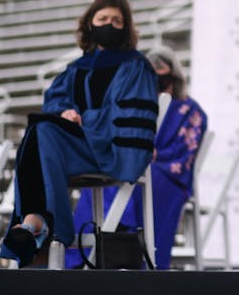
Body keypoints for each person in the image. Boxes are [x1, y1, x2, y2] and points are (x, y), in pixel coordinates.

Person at [0, 0, 158, 267]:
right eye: (103, 18)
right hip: (80, 148)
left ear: (126, 28)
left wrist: (86, 120)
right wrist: (64, 113)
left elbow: (126, 116)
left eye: (117, 21)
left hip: (113, 150)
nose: (109, 24)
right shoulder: (76, 68)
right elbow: (56, 100)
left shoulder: (136, 66)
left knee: (42, 131)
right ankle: (40, 224)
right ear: (90, 24)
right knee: (43, 128)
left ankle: (40, 229)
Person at [65, 45, 208, 269]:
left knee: (144, 178)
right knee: (105, 175)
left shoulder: (191, 110)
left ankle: (134, 250)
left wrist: (155, 154)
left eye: (161, 71)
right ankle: (89, 251)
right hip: (137, 163)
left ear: (173, 75)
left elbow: (184, 154)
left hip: (168, 172)